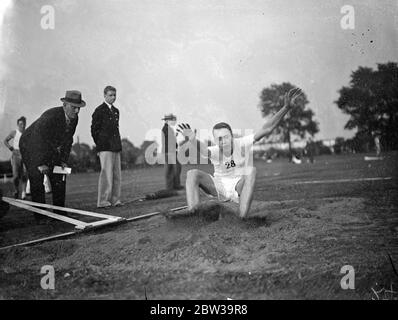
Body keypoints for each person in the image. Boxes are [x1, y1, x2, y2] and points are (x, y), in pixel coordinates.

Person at [168, 88, 302, 220]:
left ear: (232, 136)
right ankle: (194, 214)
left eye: (226, 137)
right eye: (219, 138)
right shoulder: (215, 150)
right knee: (192, 173)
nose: (223, 141)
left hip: (238, 188)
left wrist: (286, 108)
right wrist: (192, 139)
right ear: (215, 140)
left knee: (251, 171)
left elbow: (266, 129)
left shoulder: (242, 143)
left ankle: (242, 218)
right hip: (218, 187)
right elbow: (203, 150)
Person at [19, 90, 85, 220]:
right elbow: (38, 139)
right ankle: (40, 216)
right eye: (74, 108)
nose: (77, 111)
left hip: (49, 147)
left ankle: (59, 212)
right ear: (64, 105)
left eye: (78, 108)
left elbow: (68, 140)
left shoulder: (74, 118)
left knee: (60, 174)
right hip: (30, 145)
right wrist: (40, 163)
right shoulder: (50, 117)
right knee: (36, 177)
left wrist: (63, 160)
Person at [91, 86, 123, 208]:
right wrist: (100, 145)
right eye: (110, 95)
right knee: (106, 175)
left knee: (116, 175)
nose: (113, 97)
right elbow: (94, 130)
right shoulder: (99, 110)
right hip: (105, 147)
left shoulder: (116, 111)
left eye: (114, 95)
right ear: (104, 95)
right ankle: (103, 201)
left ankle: (115, 200)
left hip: (115, 146)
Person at [4, 116, 28, 199]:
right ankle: (16, 191)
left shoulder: (27, 132)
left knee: (25, 174)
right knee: (16, 176)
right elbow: (5, 141)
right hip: (16, 155)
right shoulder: (14, 132)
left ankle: (24, 192)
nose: (22, 126)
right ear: (18, 125)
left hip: (25, 155)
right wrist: (11, 148)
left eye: (24, 124)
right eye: (21, 124)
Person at [161, 113, 184, 191]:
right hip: (170, 151)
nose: (174, 121)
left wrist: (176, 134)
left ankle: (171, 186)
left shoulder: (167, 128)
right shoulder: (167, 128)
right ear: (167, 120)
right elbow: (171, 140)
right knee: (175, 168)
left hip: (169, 151)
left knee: (171, 169)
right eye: (172, 119)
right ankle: (174, 186)